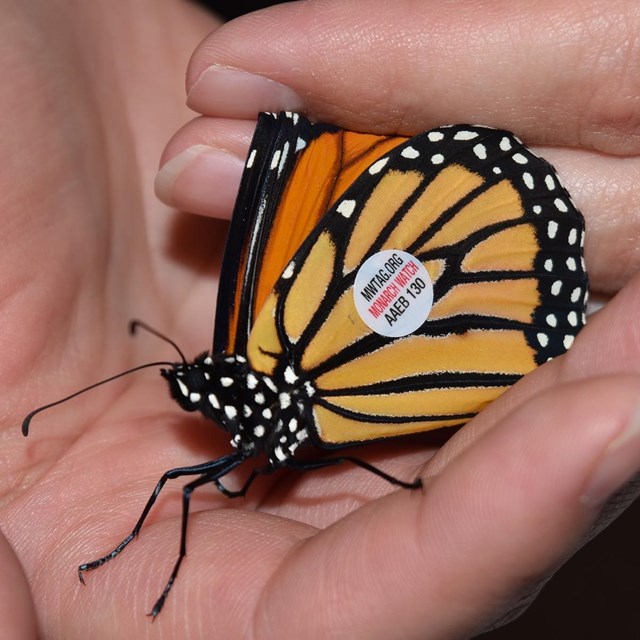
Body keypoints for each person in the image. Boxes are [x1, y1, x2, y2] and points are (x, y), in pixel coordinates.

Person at [1, 1, 639, 638]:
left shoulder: (275, 359)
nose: (193, 395)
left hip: (451, 248)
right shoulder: (281, 391)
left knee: (184, 480)